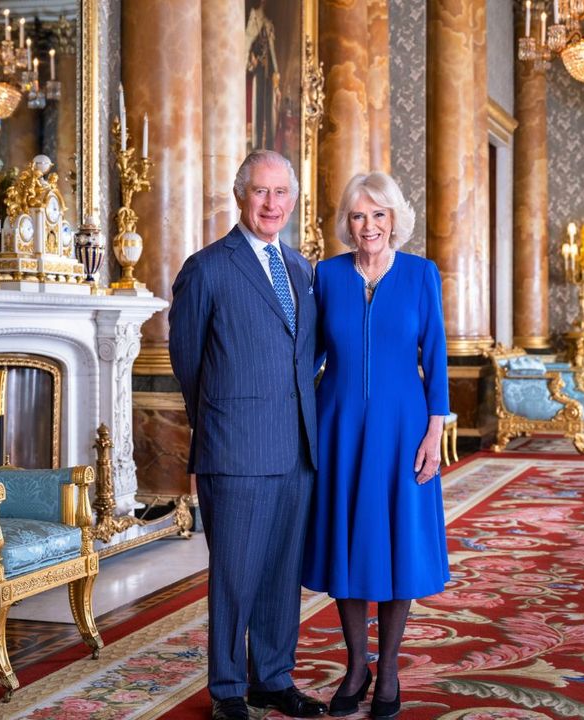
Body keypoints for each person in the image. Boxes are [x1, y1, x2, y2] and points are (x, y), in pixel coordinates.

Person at [170, 150, 328, 720]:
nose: (271, 203)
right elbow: (188, 362)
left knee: (282, 573)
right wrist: (221, 423)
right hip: (235, 448)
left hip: (298, 450)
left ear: (292, 198)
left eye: (281, 192)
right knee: (234, 576)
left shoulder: (303, 270)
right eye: (261, 191)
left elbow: (307, 356)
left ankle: (273, 677)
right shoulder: (207, 267)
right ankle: (229, 690)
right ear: (241, 196)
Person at [301, 171, 450, 720]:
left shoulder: (420, 275)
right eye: (359, 216)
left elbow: (434, 357)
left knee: (397, 543)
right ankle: (356, 664)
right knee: (347, 542)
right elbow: (309, 357)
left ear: (394, 220)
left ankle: (387, 671)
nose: (369, 226)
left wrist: (435, 432)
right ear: (348, 222)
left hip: (403, 428)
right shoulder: (328, 275)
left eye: (379, 215)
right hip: (338, 425)